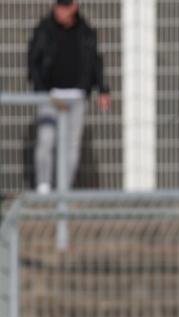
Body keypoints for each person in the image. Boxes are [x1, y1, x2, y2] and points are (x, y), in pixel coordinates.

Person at [27, 0, 110, 193]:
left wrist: (103, 89)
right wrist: (40, 89)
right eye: (58, 6)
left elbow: (95, 61)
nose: (59, 10)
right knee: (46, 140)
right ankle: (44, 187)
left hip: (77, 96)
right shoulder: (45, 29)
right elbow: (34, 60)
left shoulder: (85, 31)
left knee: (72, 144)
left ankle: (64, 189)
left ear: (74, 7)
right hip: (50, 96)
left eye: (64, 6)